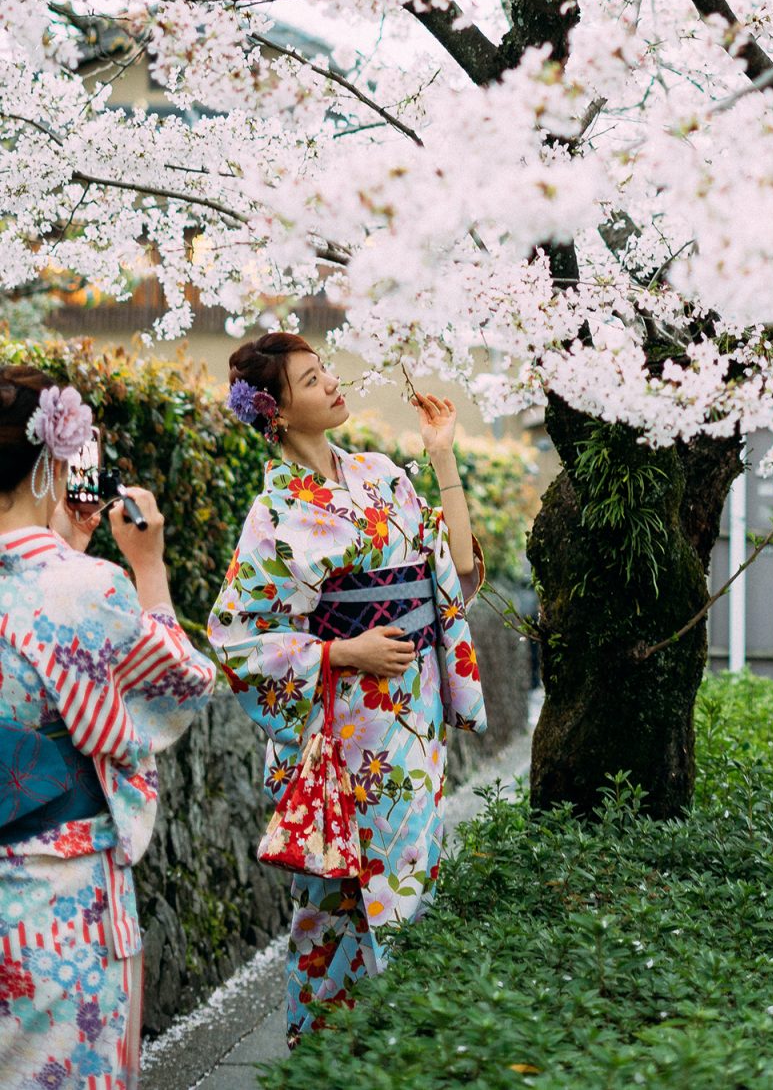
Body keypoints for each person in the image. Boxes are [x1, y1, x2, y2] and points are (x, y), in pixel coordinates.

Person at [208, 332, 486, 1045]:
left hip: (412, 719)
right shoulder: (274, 512)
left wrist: (442, 451)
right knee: (338, 892)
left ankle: (398, 1046)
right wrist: (338, 649)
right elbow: (238, 635)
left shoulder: (384, 475)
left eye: (324, 367)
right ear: (277, 412)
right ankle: (334, 1054)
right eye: (311, 377)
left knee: (411, 879)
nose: (332, 381)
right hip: (342, 727)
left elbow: (454, 569)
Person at [0, 364, 216, 1090]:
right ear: (53, 465)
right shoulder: (84, 589)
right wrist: (146, 567)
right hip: (54, 899)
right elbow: (178, 687)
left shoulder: (64, 580)